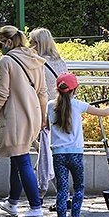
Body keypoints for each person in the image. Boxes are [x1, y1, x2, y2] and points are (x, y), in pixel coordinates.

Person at [47, 73, 109, 217]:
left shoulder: (50, 105)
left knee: (62, 191)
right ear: (75, 90)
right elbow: (103, 113)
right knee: (79, 186)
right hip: (75, 154)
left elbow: (46, 125)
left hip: (58, 154)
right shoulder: (78, 105)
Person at [0, 25, 48, 217]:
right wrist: (43, 117)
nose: (0, 47)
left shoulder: (7, 61)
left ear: (8, 42)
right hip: (34, 115)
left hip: (15, 118)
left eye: (0, 43)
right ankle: (12, 202)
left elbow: (2, 92)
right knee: (17, 158)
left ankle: (35, 206)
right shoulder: (35, 59)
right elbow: (43, 92)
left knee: (21, 161)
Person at [29, 27, 68, 207]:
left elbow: (36, 90)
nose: (30, 45)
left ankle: (42, 193)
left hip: (43, 113)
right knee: (52, 154)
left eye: (33, 42)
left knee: (45, 154)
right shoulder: (60, 62)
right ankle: (62, 194)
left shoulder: (37, 63)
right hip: (60, 112)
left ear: (39, 43)